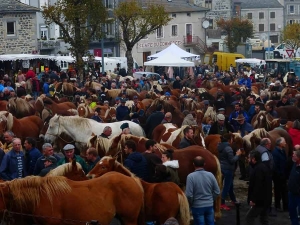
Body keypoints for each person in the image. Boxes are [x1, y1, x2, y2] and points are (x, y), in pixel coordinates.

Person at [185, 156, 220, 225]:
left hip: (197, 206)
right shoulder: (210, 175)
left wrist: (192, 203)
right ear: (204, 164)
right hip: (209, 206)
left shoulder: (190, 177)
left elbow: (189, 195)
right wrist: (210, 200)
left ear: (193, 164)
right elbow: (217, 191)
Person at [246, 151, 272, 225]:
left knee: (249, 217)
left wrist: (253, 199)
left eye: (249, 158)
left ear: (253, 159)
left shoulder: (258, 169)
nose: (248, 160)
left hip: (260, 201)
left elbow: (258, 186)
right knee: (264, 219)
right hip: (266, 199)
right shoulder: (263, 167)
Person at [218, 134, 242, 210]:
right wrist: (237, 155)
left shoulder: (219, 146)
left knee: (230, 185)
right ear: (230, 139)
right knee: (227, 186)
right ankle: (222, 203)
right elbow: (232, 161)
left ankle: (233, 200)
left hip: (222, 167)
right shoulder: (228, 148)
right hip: (228, 169)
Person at [272, 137, 288, 212]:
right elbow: (275, 165)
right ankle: (277, 206)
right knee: (278, 191)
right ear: (280, 144)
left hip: (283, 175)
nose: (285, 143)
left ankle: (285, 206)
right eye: (284, 142)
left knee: (284, 191)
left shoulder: (283, 151)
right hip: (278, 176)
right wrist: (279, 175)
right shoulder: (275, 153)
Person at [288, 149, 300, 225]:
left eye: (294, 155)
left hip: (299, 194)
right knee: (292, 211)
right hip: (291, 192)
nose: (292, 156)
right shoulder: (294, 164)